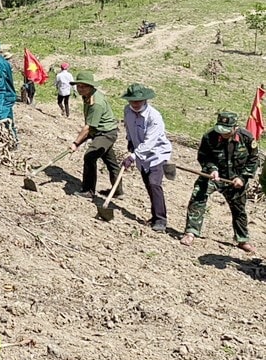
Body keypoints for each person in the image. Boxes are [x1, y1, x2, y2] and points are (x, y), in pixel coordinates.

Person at [180, 111, 258, 253]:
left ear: (235, 128)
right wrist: (212, 169)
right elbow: (204, 157)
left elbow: (253, 160)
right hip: (213, 176)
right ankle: (191, 232)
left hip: (235, 179)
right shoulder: (209, 137)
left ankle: (242, 239)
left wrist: (243, 177)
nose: (223, 134)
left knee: (239, 209)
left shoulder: (246, 138)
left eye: (227, 131)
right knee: (198, 198)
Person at [121, 83, 172, 232]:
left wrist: (132, 156)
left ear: (145, 101)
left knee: (154, 183)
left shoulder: (154, 116)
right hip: (140, 155)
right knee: (148, 185)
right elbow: (128, 127)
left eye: (138, 101)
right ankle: (155, 216)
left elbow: (150, 142)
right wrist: (130, 142)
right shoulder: (127, 111)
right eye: (132, 101)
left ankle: (161, 220)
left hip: (157, 154)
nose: (135, 104)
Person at [68, 71, 122, 198]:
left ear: (91, 87)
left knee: (90, 156)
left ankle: (88, 190)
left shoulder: (96, 103)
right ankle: (117, 191)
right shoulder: (87, 96)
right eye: (78, 86)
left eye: (83, 86)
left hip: (106, 133)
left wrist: (75, 143)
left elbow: (89, 127)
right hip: (99, 131)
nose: (80, 89)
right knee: (111, 162)